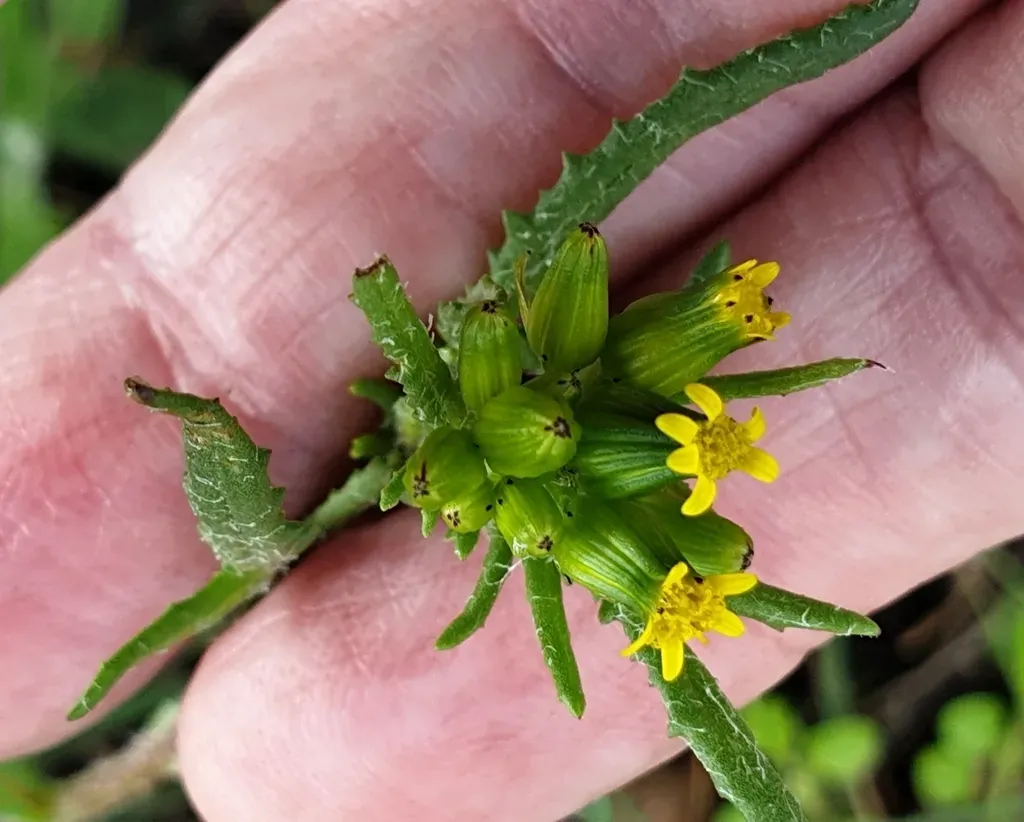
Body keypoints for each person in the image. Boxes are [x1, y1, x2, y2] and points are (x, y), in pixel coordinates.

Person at [0, 0, 1019, 819]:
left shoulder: (565, 476)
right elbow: (538, 428)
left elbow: (548, 432)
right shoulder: (543, 445)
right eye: (679, 596)